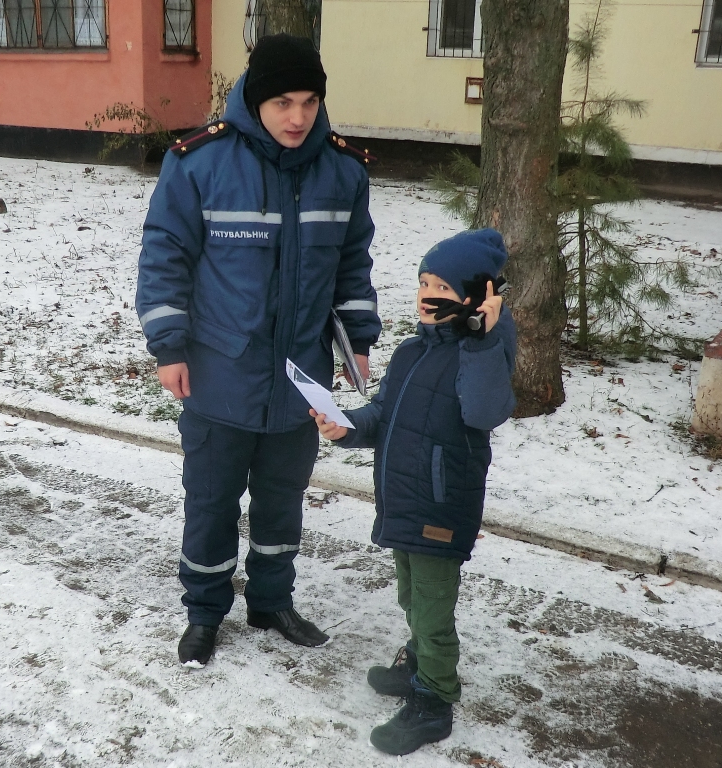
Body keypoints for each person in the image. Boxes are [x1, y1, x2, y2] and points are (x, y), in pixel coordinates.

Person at [135, 34, 380, 668]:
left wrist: (361, 342)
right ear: (253, 97)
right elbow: (165, 259)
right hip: (219, 371)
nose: (297, 117)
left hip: (301, 377)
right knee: (211, 501)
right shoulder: (200, 163)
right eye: (281, 102)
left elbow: (352, 266)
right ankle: (205, 612)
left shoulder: (343, 171)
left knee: (282, 500)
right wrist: (169, 347)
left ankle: (271, 602)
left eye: (308, 101)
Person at [312, 228, 516, 755]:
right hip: (403, 501)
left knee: (431, 607)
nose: (427, 296)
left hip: (441, 506)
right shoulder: (411, 352)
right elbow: (383, 414)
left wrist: (483, 338)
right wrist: (345, 426)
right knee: (410, 595)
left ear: (477, 298)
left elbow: (485, 411)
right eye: (423, 283)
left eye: (442, 289)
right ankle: (420, 663)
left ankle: (435, 699)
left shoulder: (482, 356)